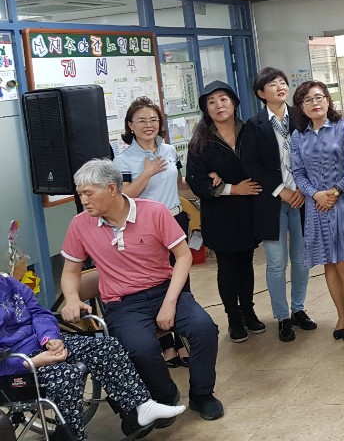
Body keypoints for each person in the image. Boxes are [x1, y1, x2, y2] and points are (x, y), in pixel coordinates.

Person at [60, 159, 223, 422]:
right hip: (123, 304)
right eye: (80, 194)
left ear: (112, 189)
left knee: (204, 329)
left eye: (88, 193)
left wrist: (169, 303)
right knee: (141, 348)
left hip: (165, 291)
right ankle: (165, 397)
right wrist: (71, 299)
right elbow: (70, 271)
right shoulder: (80, 224)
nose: (83, 201)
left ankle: (202, 395)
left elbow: (183, 256)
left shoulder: (154, 211)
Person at [0, 273, 185, 440]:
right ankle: (74, 437)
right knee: (68, 376)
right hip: (14, 363)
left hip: (41, 343)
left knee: (107, 346)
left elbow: (39, 312)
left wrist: (50, 338)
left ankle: (142, 405)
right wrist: (29, 363)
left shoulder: (7, 282)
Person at [114, 96, 192, 367]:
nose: (149, 125)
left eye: (153, 120)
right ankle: (166, 344)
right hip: (145, 227)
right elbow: (124, 197)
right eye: (142, 120)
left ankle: (182, 338)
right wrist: (146, 173)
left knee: (181, 280)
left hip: (175, 219)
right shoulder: (123, 160)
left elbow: (179, 183)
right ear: (130, 125)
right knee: (155, 283)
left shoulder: (169, 150)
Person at [290, 80, 344, 342]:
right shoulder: (298, 136)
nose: (314, 103)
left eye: (319, 97)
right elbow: (298, 173)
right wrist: (315, 194)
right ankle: (340, 314)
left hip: (343, 204)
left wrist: (335, 192)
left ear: (327, 100)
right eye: (308, 100)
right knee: (329, 263)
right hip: (316, 207)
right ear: (301, 107)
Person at [185, 80, 264, 344]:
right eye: (211, 102)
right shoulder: (200, 141)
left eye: (223, 99)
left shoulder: (250, 131)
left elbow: (263, 163)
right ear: (206, 109)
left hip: (248, 210)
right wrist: (232, 189)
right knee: (227, 266)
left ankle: (249, 311)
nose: (219, 105)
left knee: (246, 264)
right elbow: (197, 181)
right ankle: (234, 317)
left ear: (234, 103)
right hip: (220, 214)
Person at [242, 67, 316, 343]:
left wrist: (302, 189)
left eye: (282, 82)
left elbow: (312, 154)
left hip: (302, 198)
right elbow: (251, 163)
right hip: (271, 201)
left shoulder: (301, 116)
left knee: (301, 258)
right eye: (272, 84)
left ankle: (299, 309)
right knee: (276, 262)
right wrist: (280, 190)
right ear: (261, 93)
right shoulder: (254, 124)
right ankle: (282, 316)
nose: (280, 87)